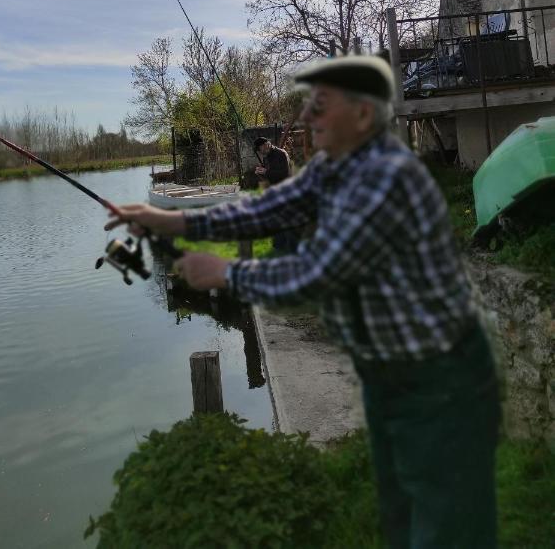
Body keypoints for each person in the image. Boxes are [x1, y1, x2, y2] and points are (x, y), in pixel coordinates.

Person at [105, 55, 500, 549]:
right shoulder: (331, 170)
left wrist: (228, 271)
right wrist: (170, 221)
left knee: (447, 520)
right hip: (387, 369)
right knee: (399, 507)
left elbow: (319, 272)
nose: (309, 117)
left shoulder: (386, 177)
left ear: (361, 115)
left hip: (438, 378)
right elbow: (263, 210)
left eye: (321, 104)